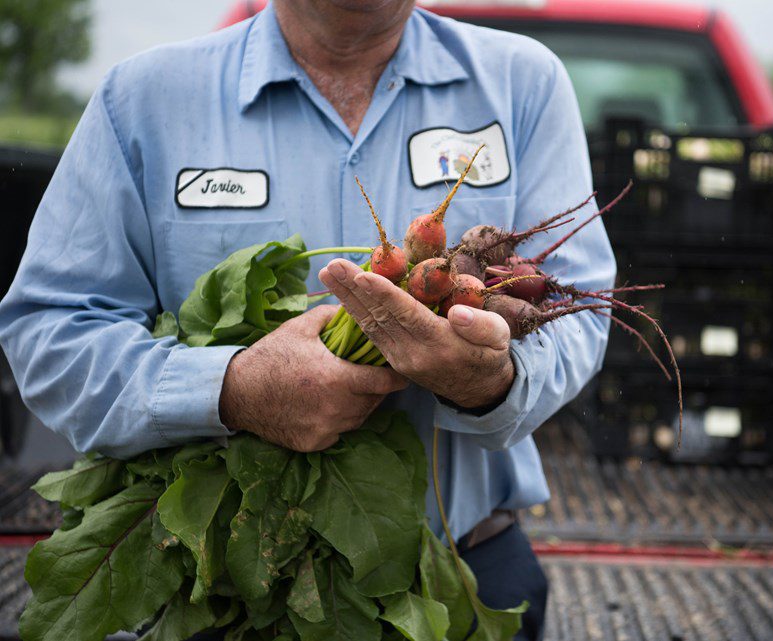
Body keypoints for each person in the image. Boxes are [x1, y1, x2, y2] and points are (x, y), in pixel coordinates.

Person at [0, 1, 615, 639]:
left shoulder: (522, 81)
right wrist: (230, 388)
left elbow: (582, 314)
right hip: (229, 597)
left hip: (458, 577)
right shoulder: (143, 99)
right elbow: (50, 332)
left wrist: (491, 381)